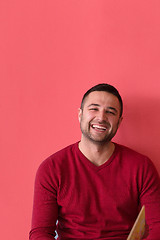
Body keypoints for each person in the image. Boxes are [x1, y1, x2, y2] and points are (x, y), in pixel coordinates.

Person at [29, 83, 160, 240]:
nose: (101, 117)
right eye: (94, 109)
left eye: (110, 112)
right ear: (80, 114)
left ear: (119, 121)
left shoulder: (141, 167)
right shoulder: (52, 168)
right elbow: (40, 233)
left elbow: (158, 226)